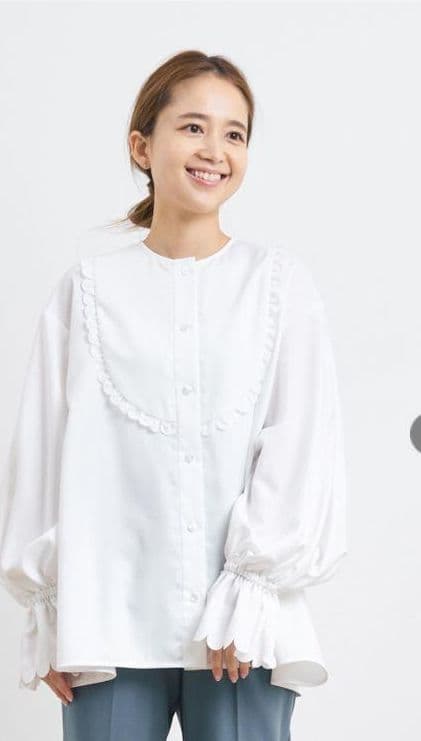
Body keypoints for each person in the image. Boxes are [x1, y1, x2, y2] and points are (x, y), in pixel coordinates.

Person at [0, 49, 347, 740]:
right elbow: (41, 453)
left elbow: (301, 442)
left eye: (234, 133)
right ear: (142, 146)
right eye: (193, 127)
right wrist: (48, 610)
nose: (215, 150)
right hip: (108, 624)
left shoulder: (277, 284)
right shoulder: (85, 291)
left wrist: (250, 589)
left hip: (243, 629)